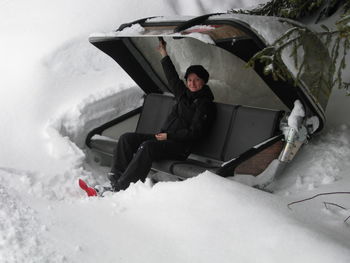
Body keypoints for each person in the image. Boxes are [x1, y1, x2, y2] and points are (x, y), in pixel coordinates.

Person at [107, 39, 215, 192]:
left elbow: (195, 133)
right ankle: (116, 179)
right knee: (126, 139)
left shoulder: (205, 104)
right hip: (164, 139)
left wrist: (169, 136)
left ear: (204, 82)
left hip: (179, 147)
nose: (192, 83)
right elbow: (172, 77)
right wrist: (164, 53)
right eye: (190, 80)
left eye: (197, 80)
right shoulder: (183, 94)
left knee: (147, 146)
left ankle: (124, 187)